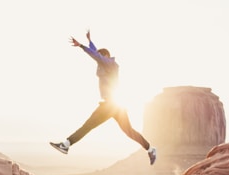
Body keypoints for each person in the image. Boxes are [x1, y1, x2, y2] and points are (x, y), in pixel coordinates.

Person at [50, 31, 156, 165]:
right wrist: (90, 41)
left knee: (88, 125)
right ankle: (150, 149)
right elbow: (96, 53)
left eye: (100, 57)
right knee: (129, 131)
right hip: (116, 105)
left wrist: (81, 45)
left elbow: (96, 55)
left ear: (105, 56)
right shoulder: (106, 63)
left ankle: (66, 144)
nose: (97, 61)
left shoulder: (109, 64)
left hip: (110, 105)